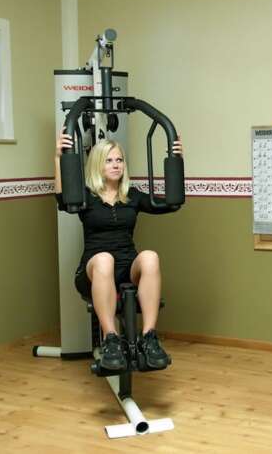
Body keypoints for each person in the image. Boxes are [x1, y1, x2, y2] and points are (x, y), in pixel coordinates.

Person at [54, 133, 183, 371]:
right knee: (105, 259)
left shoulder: (132, 196)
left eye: (119, 160)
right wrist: (58, 158)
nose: (116, 165)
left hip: (126, 269)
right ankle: (111, 339)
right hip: (93, 271)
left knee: (150, 257)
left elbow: (171, 204)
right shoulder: (85, 196)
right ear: (98, 165)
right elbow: (62, 200)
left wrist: (176, 160)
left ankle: (149, 337)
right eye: (109, 160)